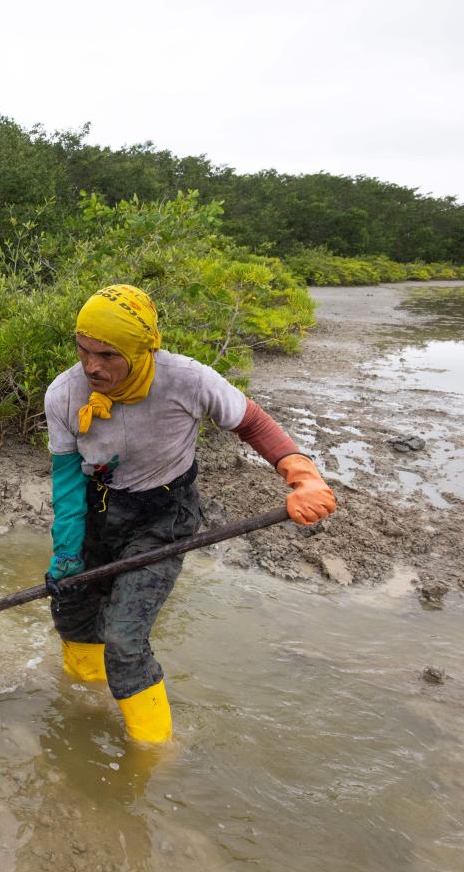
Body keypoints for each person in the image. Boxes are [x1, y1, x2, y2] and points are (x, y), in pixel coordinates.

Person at [44, 284, 337, 745]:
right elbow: (66, 482)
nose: (91, 366)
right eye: (83, 350)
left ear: (143, 350)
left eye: (107, 355)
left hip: (163, 517)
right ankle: (83, 708)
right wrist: (65, 554)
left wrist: (300, 473)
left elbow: (252, 422)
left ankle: (153, 754)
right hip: (97, 511)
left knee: (122, 640)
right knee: (73, 615)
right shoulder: (65, 393)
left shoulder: (186, 380)